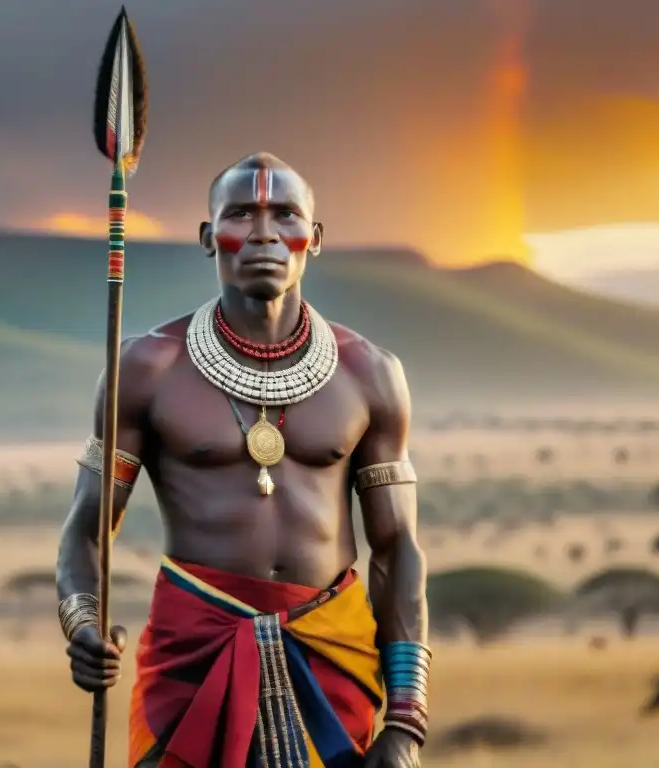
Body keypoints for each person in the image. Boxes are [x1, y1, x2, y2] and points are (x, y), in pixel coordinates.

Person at [55, 152, 430, 768]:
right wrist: (82, 623)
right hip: (191, 659)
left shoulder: (370, 373)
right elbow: (88, 529)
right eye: (241, 214)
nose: (263, 234)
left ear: (315, 237)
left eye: (285, 214)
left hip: (331, 657)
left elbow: (398, 550)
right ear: (209, 238)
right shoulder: (145, 369)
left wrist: (407, 719)